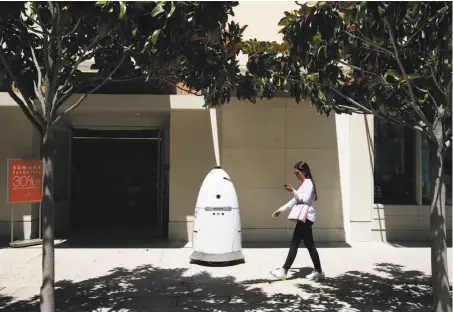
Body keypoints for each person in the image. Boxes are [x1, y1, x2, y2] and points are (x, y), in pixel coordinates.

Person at [270, 161, 325, 281]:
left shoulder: (308, 183)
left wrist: (294, 191)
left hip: (305, 218)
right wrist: (280, 210)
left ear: (304, 171)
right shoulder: (304, 184)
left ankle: (284, 270)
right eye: (295, 173)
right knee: (310, 245)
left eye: (298, 173)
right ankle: (319, 272)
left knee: (294, 243)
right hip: (305, 218)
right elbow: (294, 201)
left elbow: (304, 200)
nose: (296, 175)